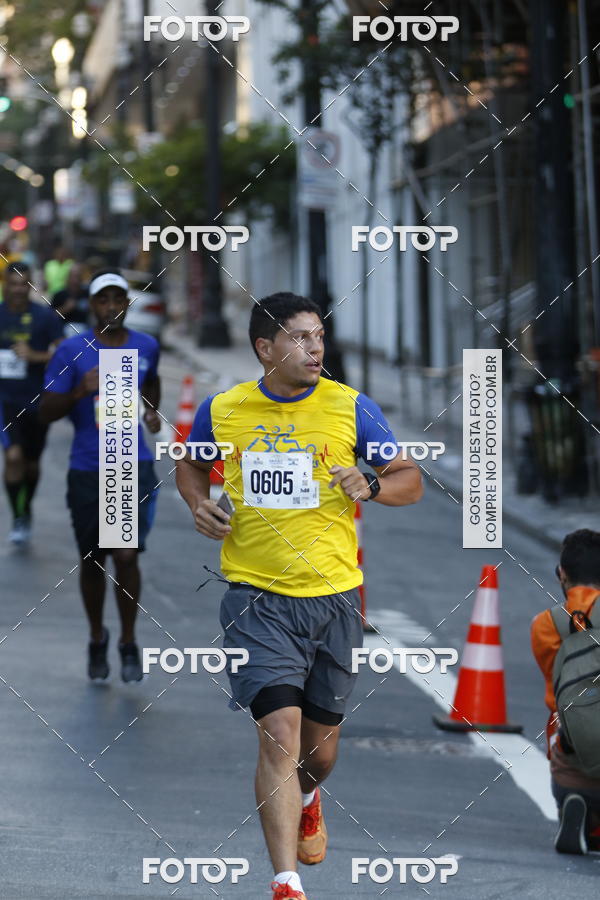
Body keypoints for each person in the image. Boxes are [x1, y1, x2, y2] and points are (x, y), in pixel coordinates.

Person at [175, 292, 423, 900]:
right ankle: (285, 883)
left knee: (318, 752)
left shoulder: (350, 408)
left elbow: (410, 482)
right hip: (255, 597)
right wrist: (197, 503)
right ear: (265, 348)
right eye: (301, 338)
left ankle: (310, 797)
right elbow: (190, 465)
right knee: (279, 734)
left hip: (335, 598)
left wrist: (369, 483)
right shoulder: (225, 409)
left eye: (319, 337)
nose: (316, 349)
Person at [40, 269, 162, 683]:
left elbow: (154, 381)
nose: (112, 307)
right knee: (93, 558)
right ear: (91, 305)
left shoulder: (145, 345)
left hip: (129, 463)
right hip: (88, 466)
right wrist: (80, 390)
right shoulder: (71, 351)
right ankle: (97, 637)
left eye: (119, 299)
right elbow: (46, 411)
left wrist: (151, 412)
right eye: (103, 300)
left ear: (127, 303)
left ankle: (128, 641)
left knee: (125, 554)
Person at [531, 529, 600, 854]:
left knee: (561, 717)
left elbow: (553, 677)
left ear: (561, 574)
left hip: (570, 745)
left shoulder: (545, 624)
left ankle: (571, 800)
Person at [0, 261, 63, 544]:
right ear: (4, 285)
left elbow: (63, 353)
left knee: (32, 464)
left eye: (23, 284)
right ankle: (19, 516)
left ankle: (26, 508)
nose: (17, 290)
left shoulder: (44, 317)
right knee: (13, 457)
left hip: (37, 400)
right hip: (5, 401)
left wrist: (35, 356)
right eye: (12, 284)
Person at [51, 263, 89, 337]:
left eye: (78, 277)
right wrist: (65, 309)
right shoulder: (59, 295)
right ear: (68, 278)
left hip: (84, 330)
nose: (76, 281)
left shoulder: (87, 294)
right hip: (64, 330)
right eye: (73, 277)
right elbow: (50, 317)